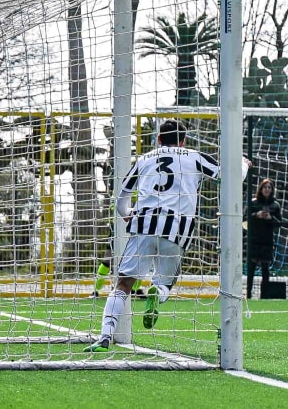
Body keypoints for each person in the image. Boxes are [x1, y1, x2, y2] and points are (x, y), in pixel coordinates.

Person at [88, 120, 221, 351]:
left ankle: (105, 337)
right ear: (183, 140)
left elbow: (122, 197)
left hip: (143, 224)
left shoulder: (144, 159)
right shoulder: (194, 156)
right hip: (177, 227)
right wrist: (243, 164)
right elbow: (225, 175)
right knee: (166, 282)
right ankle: (157, 292)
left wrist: (127, 215)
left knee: (123, 284)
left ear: (159, 139)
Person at [245, 178, 283, 299]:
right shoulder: (253, 203)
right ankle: (248, 295)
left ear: (272, 190)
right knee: (251, 269)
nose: (267, 189)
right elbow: (244, 219)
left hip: (267, 240)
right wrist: (256, 215)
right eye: (265, 187)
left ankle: (264, 296)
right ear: (260, 189)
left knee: (265, 270)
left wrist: (270, 218)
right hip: (254, 240)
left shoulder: (275, 205)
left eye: (269, 187)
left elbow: (279, 223)